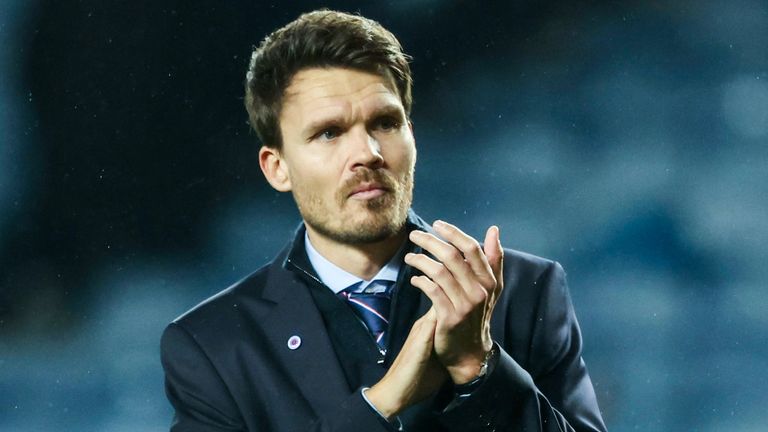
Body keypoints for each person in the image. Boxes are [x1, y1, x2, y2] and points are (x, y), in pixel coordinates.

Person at [160, 9, 607, 432]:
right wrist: (381, 403)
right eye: (329, 132)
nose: (368, 152)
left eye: (386, 123)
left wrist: (478, 366)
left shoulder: (527, 292)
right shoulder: (212, 344)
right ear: (277, 168)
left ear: (412, 134)